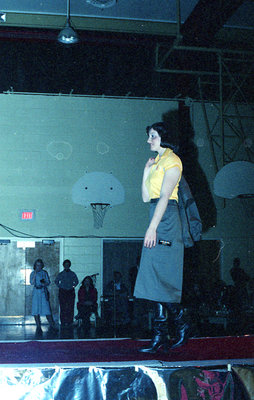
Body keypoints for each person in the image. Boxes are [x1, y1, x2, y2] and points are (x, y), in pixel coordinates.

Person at [134, 121, 189, 353]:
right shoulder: (157, 162)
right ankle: (160, 335)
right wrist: (146, 171)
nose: (149, 140)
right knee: (150, 278)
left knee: (161, 276)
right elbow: (147, 198)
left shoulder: (172, 160)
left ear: (163, 137)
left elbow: (166, 197)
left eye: (153, 136)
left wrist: (152, 228)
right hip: (155, 213)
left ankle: (181, 322)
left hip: (166, 219)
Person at [30, 258, 56, 333]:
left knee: (46, 308)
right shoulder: (32, 273)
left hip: (42, 291)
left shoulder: (44, 273)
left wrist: (44, 283)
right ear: (35, 265)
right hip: (36, 291)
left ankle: (52, 324)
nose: (39, 267)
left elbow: (48, 282)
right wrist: (35, 274)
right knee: (36, 309)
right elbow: (31, 282)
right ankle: (38, 326)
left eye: (40, 265)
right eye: (37, 265)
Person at [55, 259, 79, 327]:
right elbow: (56, 281)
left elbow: (76, 281)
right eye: (65, 265)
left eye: (68, 265)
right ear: (63, 266)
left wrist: (72, 286)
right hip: (63, 292)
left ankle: (69, 321)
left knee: (70, 307)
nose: (66, 266)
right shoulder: (61, 274)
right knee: (63, 307)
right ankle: (63, 322)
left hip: (70, 291)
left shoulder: (72, 274)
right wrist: (61, 286)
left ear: (69, 265)